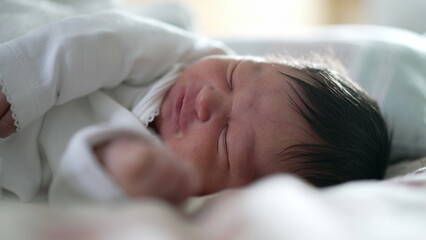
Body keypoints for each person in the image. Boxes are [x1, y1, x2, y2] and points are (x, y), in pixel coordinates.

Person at [0, 10, 390, 204]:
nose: (206, 99)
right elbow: (101, 39)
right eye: (237, 75)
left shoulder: (176, 183)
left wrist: (129, 176)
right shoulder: (182, 56)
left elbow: (65, 199)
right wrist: (18, 82)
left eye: (225, 139)